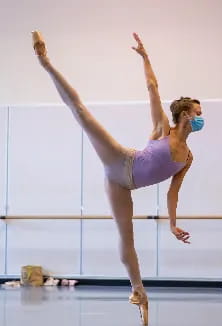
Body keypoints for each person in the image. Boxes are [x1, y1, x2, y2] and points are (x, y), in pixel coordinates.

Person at [32, 31, 204, 325]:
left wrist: (173, 224)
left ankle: (138, 290)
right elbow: (152, 87)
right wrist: (146, 58)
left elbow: (172, 193)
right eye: (199, 112)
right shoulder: (165, 128)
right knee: (82, 113)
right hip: (120, 160)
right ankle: (46, 62)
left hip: (121, 185)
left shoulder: (187, 158)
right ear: (186, 114)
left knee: (127, 240)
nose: (202, 117)